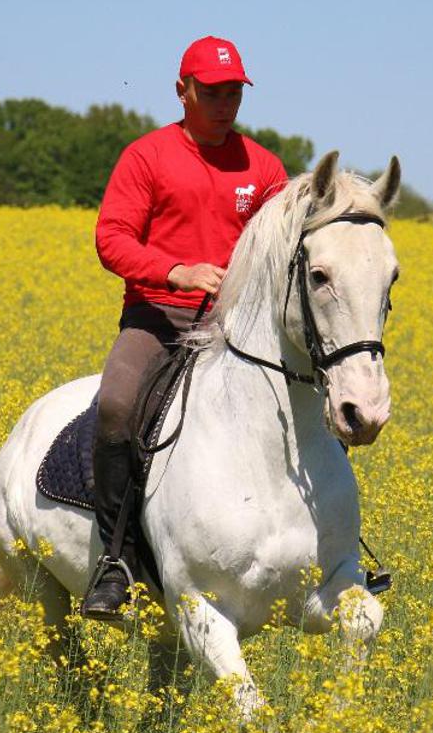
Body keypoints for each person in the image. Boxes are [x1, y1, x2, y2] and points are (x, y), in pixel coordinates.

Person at [81, 35, 288, 620]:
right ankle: (115, 561)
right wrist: (176, 271)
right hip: (157, 318)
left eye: (234, 93)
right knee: (117, 405)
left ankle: (333, 547)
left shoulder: (264, 166)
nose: (227, 104)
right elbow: (111, 239)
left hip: (234, 328)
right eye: (214, 92)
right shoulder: (146, 157)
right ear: (183, 90)